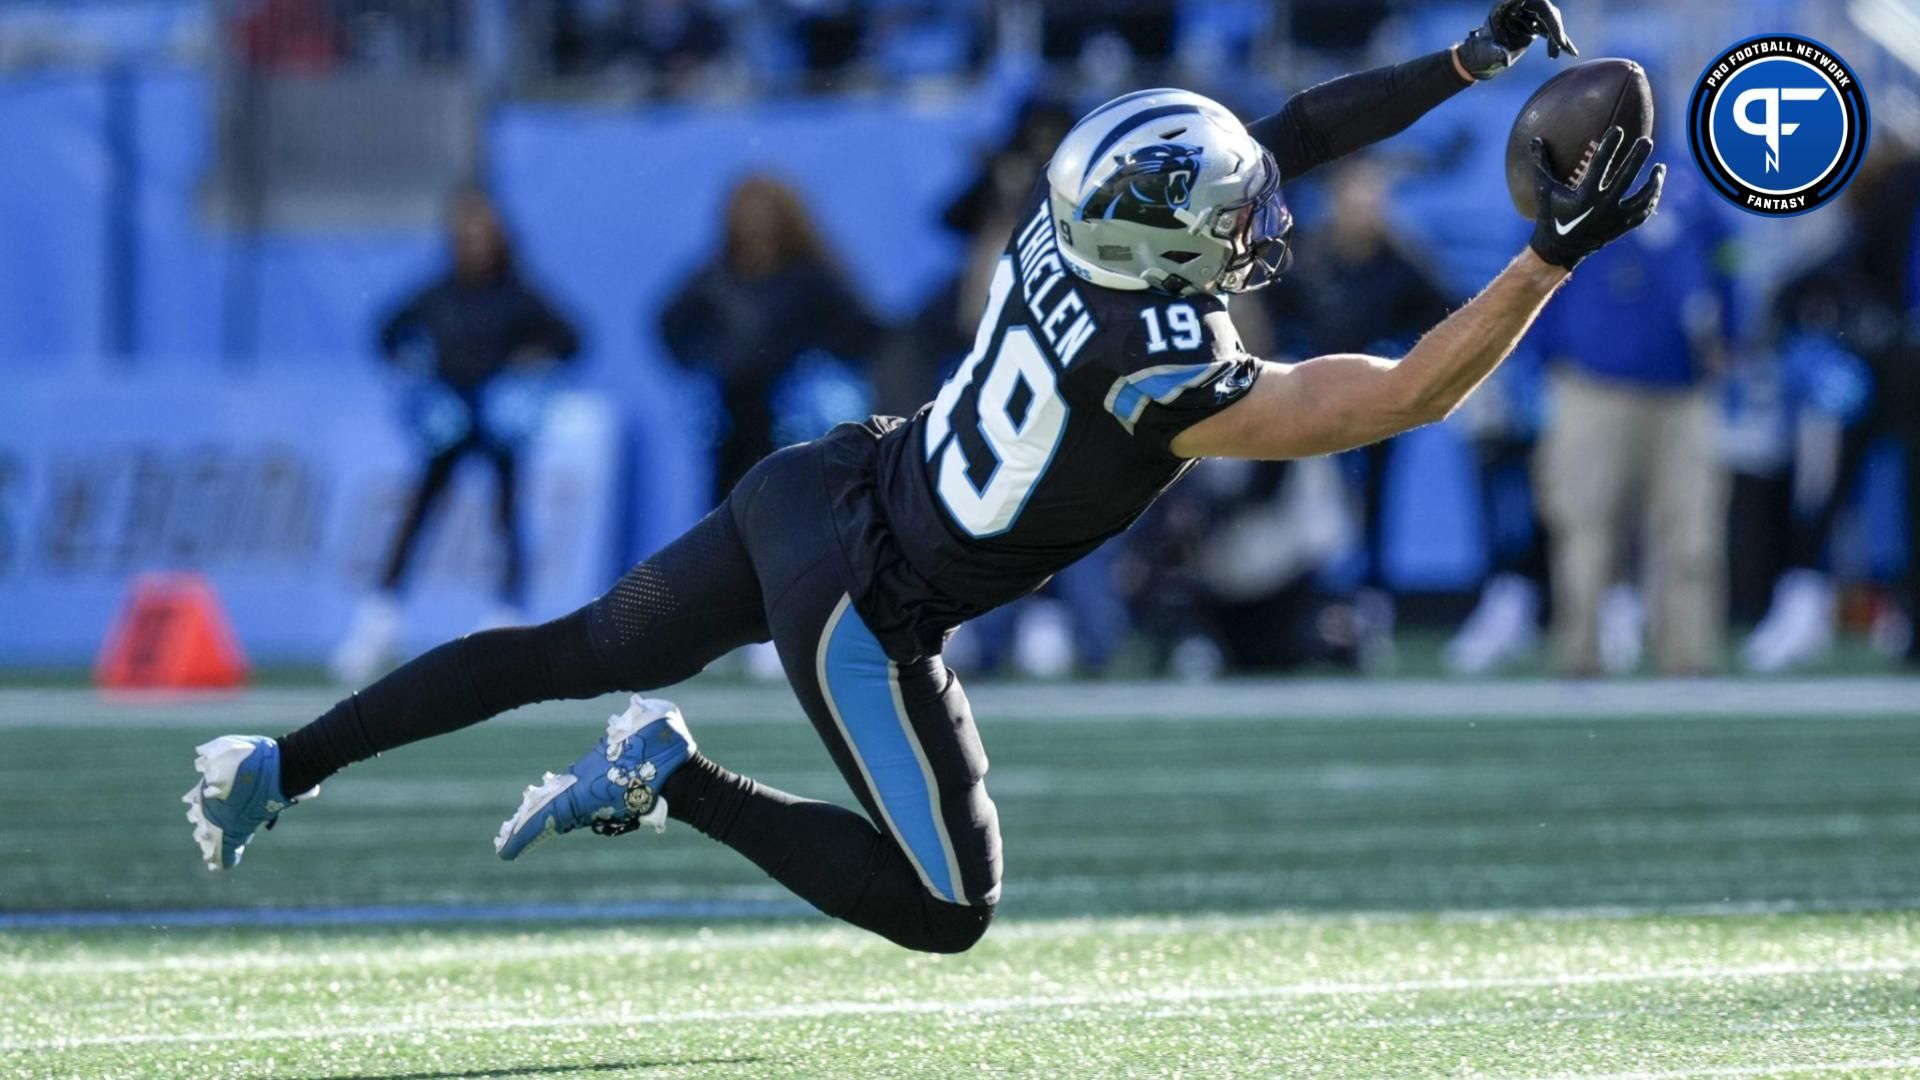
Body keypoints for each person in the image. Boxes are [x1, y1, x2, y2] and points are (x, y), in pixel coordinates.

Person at [186, 0, 1658, 954]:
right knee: (952, 908)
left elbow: (1287, 135)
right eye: (1231, 218)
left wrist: (1465, 64)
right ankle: (676, 777)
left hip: (815, 487)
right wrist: (1554, 255)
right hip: (868, 601)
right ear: (1165, 238)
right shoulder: (1160, 375)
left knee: (568, 647)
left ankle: (280, 762)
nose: (1261, 216)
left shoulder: (1070, 216)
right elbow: (1405, 392)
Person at [330, 188, 580, 684]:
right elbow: (387, 332)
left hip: (499, 421)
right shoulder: (436, 293)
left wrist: (529, 368)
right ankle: (381, 616)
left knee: (507, 514)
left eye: (482, 236)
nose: (473, 246)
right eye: (464, 237)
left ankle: (508, 613)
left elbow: (571, 338)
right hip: (448, 422)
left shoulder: (520, 294)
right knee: (419, 513)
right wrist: (415, 372)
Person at [1530, 169, 1732, 676]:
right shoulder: (1569, 184)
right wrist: (1545, 352)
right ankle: (1579, 658)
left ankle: (1688, 663)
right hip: (1592, 384)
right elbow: (1530, 267)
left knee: (1691, 533)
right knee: (1582, 528)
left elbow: (1729, 258)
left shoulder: (1689, 185)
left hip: (1682, 389)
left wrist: (1732, 326)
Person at [658, 175, 879, 507]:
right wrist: (704, 362)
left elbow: (865, 330)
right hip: (734, 415)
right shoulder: (714, 277)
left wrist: (815, 362)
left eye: (764, 217)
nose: (755, 227)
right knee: (731, 511)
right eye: (746, 217)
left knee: (798, 509)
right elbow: (670, 323)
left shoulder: (812, 276)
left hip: (797, 418)